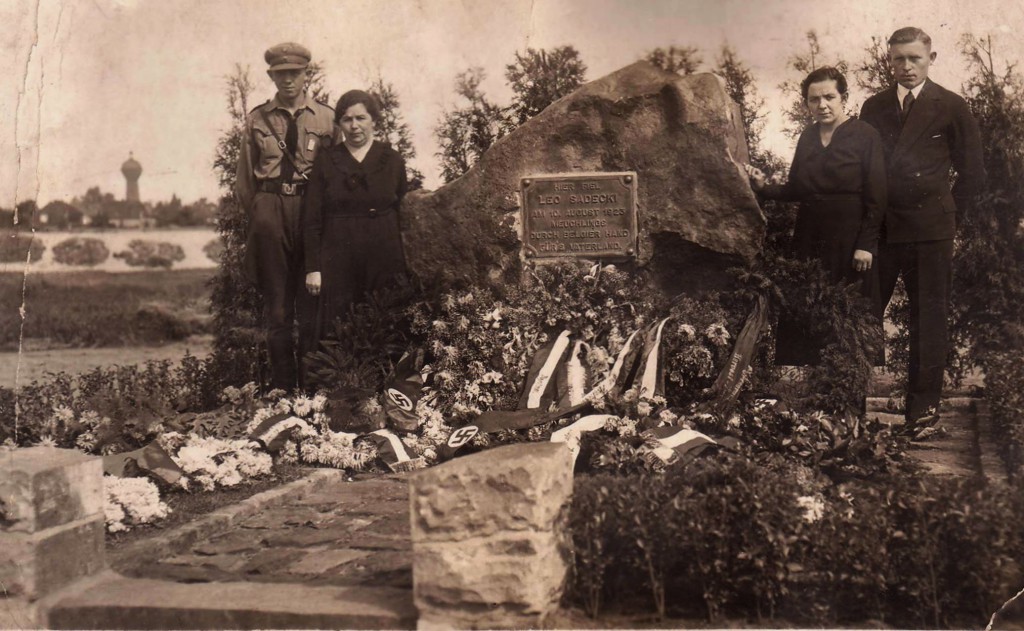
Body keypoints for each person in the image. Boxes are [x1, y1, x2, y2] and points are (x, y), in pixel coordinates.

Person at [860, 27, 985, 430]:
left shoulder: (951, 105)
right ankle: (845, 405)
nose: (907, 66)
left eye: (915, 58)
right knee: (862, 316)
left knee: (928, 321)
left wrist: (949, 218)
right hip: (881, 229)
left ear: (932, 58)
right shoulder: (873, 107)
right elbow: (865, 169)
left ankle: (923, 413)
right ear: (889, 61)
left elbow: (973, 174)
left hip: (931, 229)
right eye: (899, 58)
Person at [748, 66, 886, 367]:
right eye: (814, 99)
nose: (821, 105)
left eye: (829, 97)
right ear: (806, 103)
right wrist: (764, 187)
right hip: (810, 238)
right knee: (810, 314)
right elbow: (798, 187)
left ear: (844, 98)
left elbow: (878, 197)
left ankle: (850, 408)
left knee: (849, 322)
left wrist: (866, 244)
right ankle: (816, 410)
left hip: (849, 241)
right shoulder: (807, 137)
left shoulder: (865, 135)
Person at [235, 42, 336, 393]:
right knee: (277, 309)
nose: (288, 80)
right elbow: (245, 181)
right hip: (271, 210)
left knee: (312, 305)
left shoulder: (327, 118)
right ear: (271, 77)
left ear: (307, 74)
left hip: (310, 213)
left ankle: (310, 391)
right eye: (281, 74)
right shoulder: (258, 120)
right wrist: (265, 213)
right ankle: (281, 390)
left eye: (295, 73)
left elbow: (335, 174)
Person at [303, 89, 409, 344]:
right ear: (339, 124)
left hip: (384, 253)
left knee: (386, 322)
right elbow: (311, 218)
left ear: (374, 120)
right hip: (338, 255)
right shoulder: (327, 160)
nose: (354, 126)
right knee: (339, 326)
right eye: (347, 119)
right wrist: (313, 268)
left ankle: (388, 383)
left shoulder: (392, 160)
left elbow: (403, 210)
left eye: (361, 118)